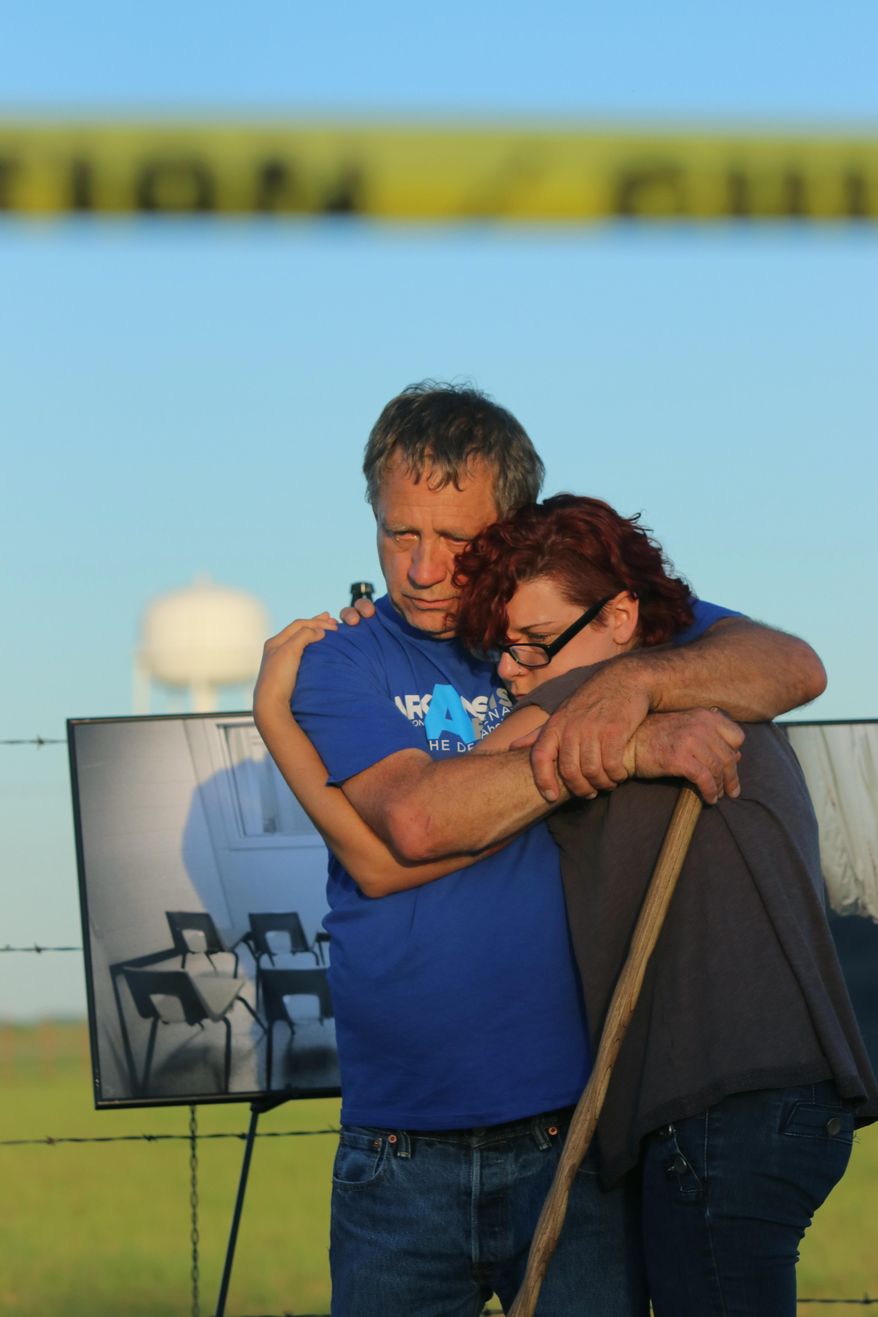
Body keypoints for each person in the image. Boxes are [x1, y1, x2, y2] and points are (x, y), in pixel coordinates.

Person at [254, 381, 826, 1317]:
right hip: (396, 1149)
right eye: (402, 533)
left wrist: (633, 679)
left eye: (460, 539)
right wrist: (629, 742)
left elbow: (791, 664)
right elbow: (411, 830)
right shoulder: (342, 659)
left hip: (576, 1129)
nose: (427, 570)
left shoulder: (567, 613)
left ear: (516, 528)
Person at [451, 493, 878, 1317]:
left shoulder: (588, 696)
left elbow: (436, 807)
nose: (509, 670)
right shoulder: (720, 679)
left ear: (620, 615)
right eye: (504, 648)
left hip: (716, 1102)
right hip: (792, 1097)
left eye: (534, 643)